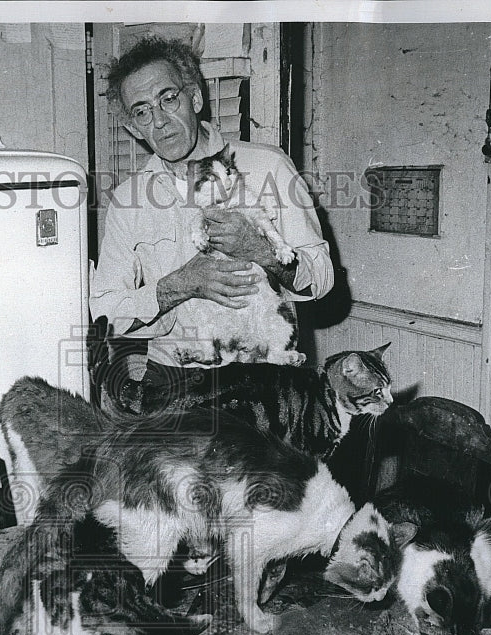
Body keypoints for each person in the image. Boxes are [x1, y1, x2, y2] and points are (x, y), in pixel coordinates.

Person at [90, 36, 334, 410]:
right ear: (134, 129)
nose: (158, 120)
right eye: (141, 111)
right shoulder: (127, 201)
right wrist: (179, 285)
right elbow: (105, 313)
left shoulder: (267, 166)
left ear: (196, 99)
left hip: (264, 383)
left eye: (168, 99)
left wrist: (261, 251)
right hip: (174, 384)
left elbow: (321, 279)